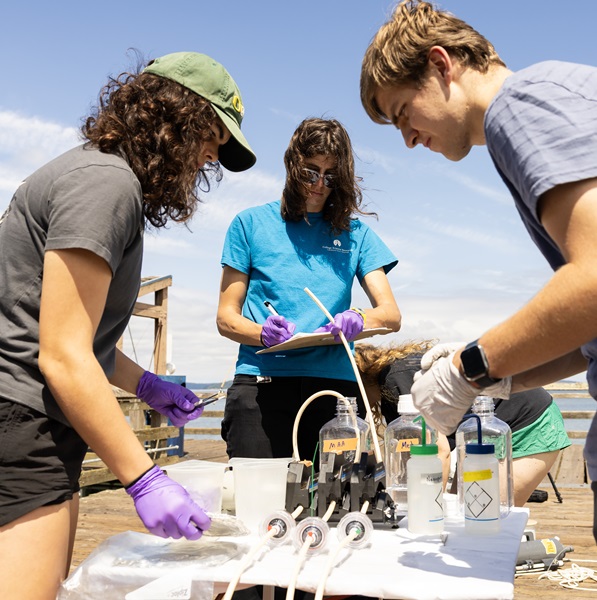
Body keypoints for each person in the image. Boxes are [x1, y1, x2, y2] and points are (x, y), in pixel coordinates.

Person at [0, 51, 255, 599]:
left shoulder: (97, 175)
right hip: (21, 421)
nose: (213, 154)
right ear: (175, 117)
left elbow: (77, 333)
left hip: (35, 419)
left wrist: (145, 386)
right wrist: (143, 477)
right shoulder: (105, 184)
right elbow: (62, 354)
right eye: (213, 135)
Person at [360, 0, 597, 537]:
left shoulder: (520, 107)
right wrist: (495, 379)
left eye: (403, 114)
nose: (408, 139)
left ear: (442, 65)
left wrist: (468, 366)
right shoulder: (554, 97)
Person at [217, 117, 402, 464]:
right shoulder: (249, 224)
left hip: (334, 391)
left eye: (331, 176)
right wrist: (262, 333)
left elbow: (391, 315)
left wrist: (357, 318)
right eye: (310, 171)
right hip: (262, 385)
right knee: (257, 502)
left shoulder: (356, 235)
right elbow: (226, 319)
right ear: (292, 164)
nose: (319, 184)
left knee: (336, 503)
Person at [355, 341, 571, 506]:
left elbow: (439, 453)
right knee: (464, 512)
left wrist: (429, 510)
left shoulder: (396, 380)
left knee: (488, 513)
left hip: (526, 423)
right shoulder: (391, 384)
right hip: (480, 431)